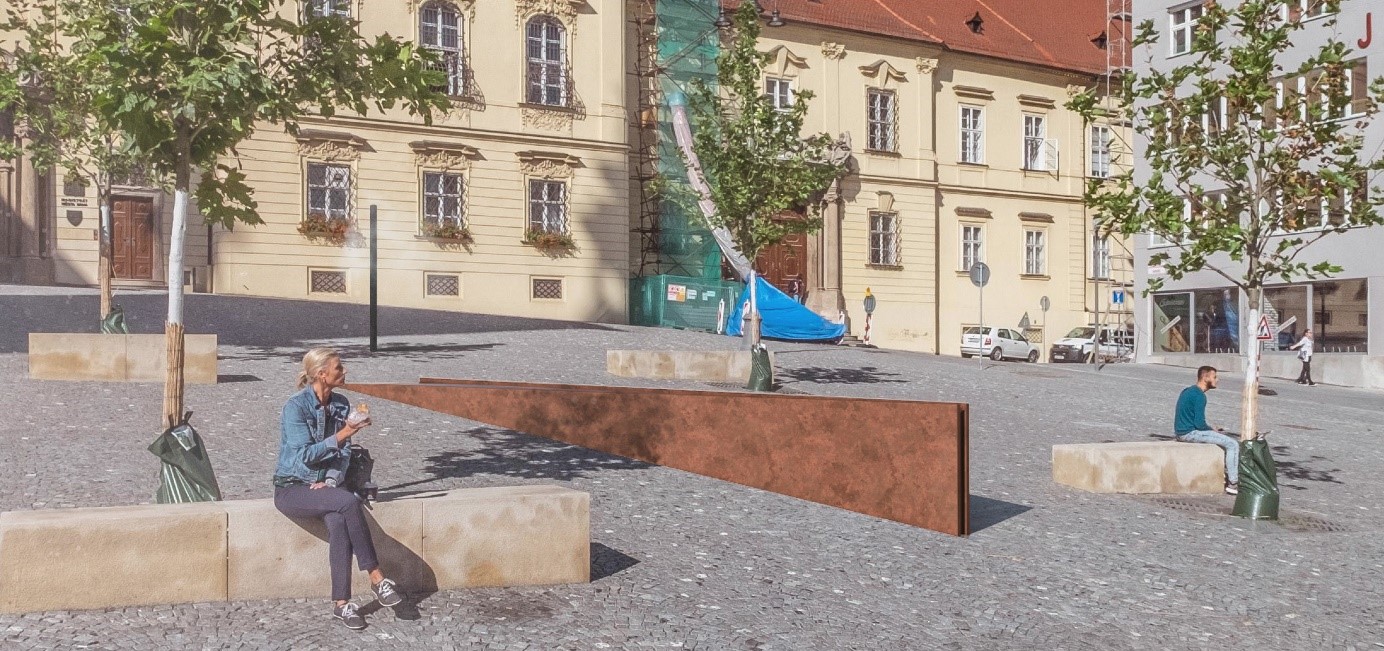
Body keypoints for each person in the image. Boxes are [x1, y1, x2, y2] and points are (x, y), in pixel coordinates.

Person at [273, 347, 403, 630]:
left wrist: (330, 482)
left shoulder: (342, 404)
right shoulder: (295, 407)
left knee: (338, 520)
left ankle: (341, 604)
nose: (344, 372)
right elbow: (304, 456)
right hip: (292, 488)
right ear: (322, 374)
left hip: (326, 488)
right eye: (339, 368)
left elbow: (344, 455)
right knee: (348, 502)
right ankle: (376, 577)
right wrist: (345, 432)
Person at [1174, 366, 1240, 495]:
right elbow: (1199, 424)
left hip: (1181, 431)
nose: (1217, 380)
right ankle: (1233, 483)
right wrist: (1212, 430)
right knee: (1232, 444)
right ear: (1205, 377)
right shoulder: (1200, 396)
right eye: (1214, 377)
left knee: (1222, 440)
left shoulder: (1188, 391)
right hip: (1189, 433)